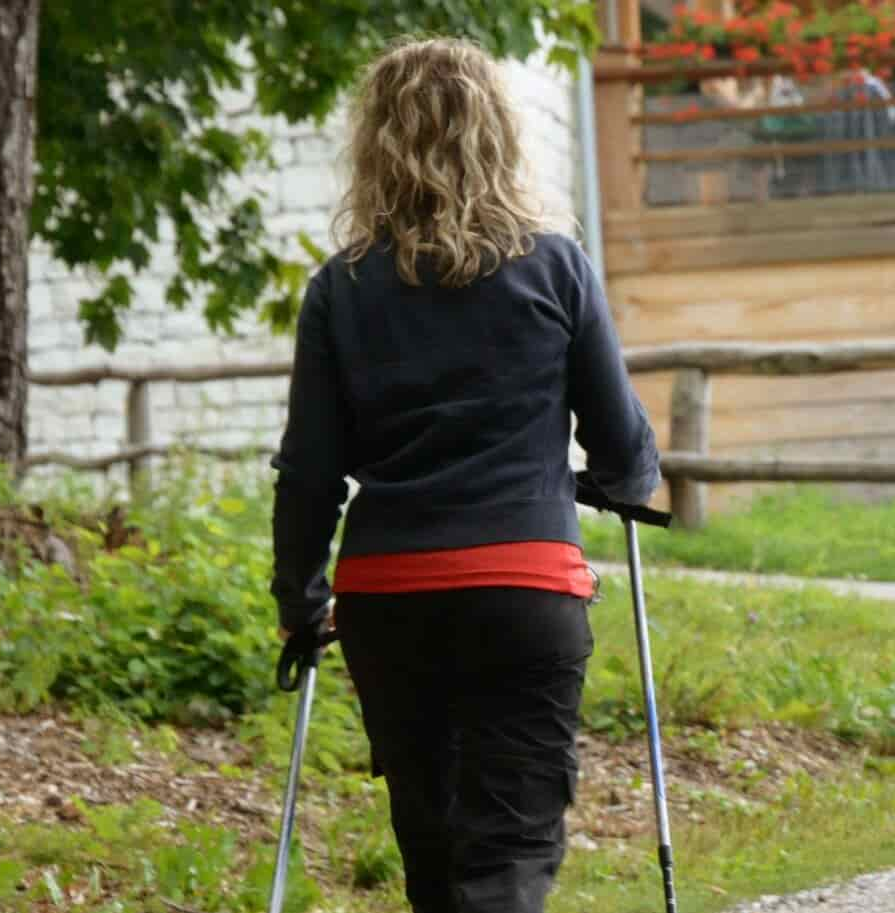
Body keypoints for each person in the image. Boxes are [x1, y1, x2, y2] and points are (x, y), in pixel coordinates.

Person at [269, 37, 660, 913]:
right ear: (499, 136)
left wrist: (299, 595)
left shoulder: (340, 289)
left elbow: (308, 473)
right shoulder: (556, 267)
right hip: (524, 584)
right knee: (509, 848)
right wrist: (612, 482)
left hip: (388, 595)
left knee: (434, 847)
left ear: (377, 142)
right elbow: (625, 455)